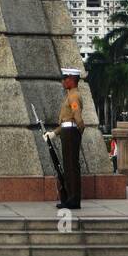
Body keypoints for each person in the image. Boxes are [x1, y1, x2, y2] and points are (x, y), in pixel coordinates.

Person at [50, 67, 86, 210]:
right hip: (67, 131)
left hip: (71, 133)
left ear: (71, 79)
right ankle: (70, 198)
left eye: (65, 79)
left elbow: (76, 116)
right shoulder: (70, 95)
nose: (63, 81)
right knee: (68, 166)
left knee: (71, 167)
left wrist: (79, 130)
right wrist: (54, 133)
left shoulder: (74, 96)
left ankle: (74, 199)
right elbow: (66, 121)